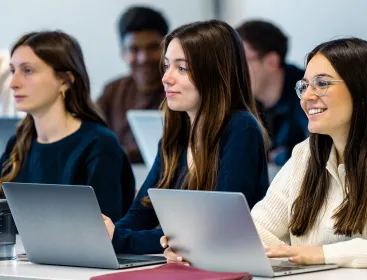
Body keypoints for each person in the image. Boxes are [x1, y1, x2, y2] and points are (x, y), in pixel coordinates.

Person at [161, 38, 367, 268]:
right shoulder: (304, 156)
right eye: (304, 86)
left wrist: (324, 254)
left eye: (322, 84)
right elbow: (258, 231)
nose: (307, 96)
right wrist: (199, 245)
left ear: (362, 90)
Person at [102, 20, 270, 255]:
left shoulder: (241, 128)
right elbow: (142, 212)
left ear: (214, 73)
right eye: (167, 66)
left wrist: (120, 239)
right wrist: (106, 235)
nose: (165, 78)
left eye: (182, 68)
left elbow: (216, 228)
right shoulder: (176, 135)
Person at [0, 31, 135, 222]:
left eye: (28, 71)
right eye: (13, 71)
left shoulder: (99, 145)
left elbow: (104, 231)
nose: (14, 83)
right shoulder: (18, 143)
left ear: (65, 81)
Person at [97, 6, 168, 163]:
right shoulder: (112, 92)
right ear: (123, 53)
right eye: (134, 49)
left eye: (153, 47)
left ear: (168, 48)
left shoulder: (181, 90)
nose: (144, 58)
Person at [236, 20, 308, 166]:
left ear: (271, 62)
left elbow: (322, 153)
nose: (234, 71)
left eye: (241, 62)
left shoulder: (310, 94)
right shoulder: (239, 103)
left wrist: (279, 157)